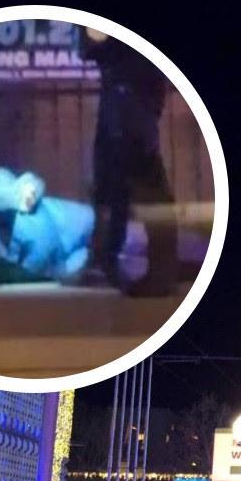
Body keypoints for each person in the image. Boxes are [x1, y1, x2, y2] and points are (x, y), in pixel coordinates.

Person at [80, 28, 177, 296]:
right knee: (121, 169)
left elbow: (93, 43)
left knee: (137, 169)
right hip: (127, 82)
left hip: (130, 84)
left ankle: (154, 268)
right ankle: (111, 259)